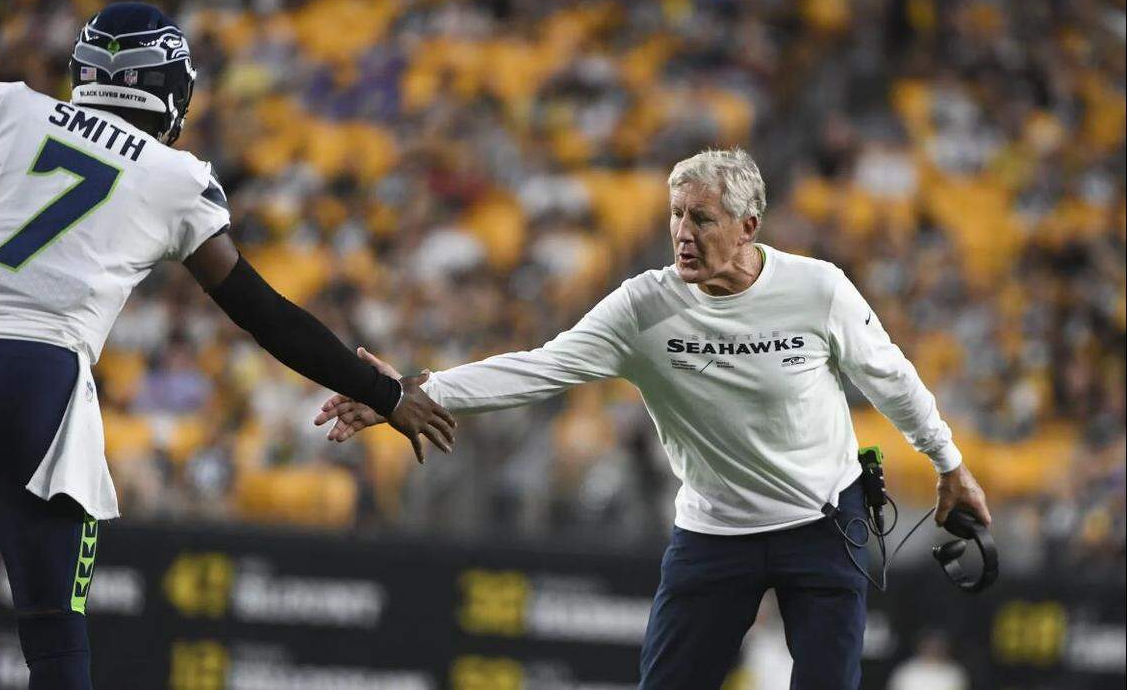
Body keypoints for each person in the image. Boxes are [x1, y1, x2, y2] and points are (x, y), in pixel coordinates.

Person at [315, 148, 992, 689]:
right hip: (715, 532)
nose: (681, 234)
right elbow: (536, 367)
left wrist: (948, 462)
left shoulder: (817, 290)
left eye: (701, 218)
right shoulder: (644, 308)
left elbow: (892, 376)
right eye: (675, 215)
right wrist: (399, 391)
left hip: (823, 522)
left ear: (748, 226)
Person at [0, 2, 454, 690]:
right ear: (172, 90)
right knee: (54, 633)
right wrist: (384, 392)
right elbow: (264, 313)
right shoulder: (174, 177)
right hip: (41, 377)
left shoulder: (5, 105)